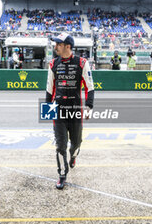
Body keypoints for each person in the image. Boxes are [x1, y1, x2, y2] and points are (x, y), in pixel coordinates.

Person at [46, 33, 94, 190]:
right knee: (60, 145)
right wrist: (48, 108)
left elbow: (90, 87)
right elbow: (49, 88)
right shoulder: (53, 64)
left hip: (75, 110)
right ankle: (62, 175)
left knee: (76, 144)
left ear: (68, 46)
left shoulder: (82, 63)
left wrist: (88, 106)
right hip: (58, 109)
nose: (55, 47)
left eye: (58, 44)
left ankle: (73, 156)